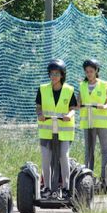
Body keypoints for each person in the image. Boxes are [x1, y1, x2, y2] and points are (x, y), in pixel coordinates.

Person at [36, 59, 77, 198]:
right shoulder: (42, 89)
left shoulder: (69, 90)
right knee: (46, 159)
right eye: (51, 74)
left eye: (57, 74)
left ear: (62, 75)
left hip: (64, 131)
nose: (54, 76)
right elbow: (38, 107)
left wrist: (69, 115)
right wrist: (40, 115)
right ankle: (46, 187)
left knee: (63, 157)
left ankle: (66, 187)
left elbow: (73, 109)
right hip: (46, 130)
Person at [77, 58, 107, 181]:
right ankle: (88, 178)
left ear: (96, 71)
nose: (89, 74)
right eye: (87, 71)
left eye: (91, 71)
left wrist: (103, 106)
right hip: (88, 122)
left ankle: (105, 178)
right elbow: (78, 103)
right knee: (89, 151)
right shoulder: (82, 85)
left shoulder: (104, 84)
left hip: (103, 122)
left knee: (104, 150)